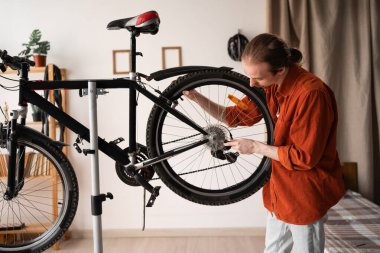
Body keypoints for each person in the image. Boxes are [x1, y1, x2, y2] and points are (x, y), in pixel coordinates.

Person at [183, 33, 345, 253]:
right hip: (279, 193)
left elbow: (304, 158)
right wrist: (197, 98)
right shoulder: (269, 86)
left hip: (305, 195)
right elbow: (236, 116)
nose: (251, 83)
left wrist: (256, 147)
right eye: (249, 76)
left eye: (257, 78)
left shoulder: (311, 94)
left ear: (279, 69)